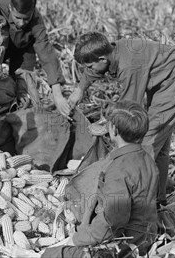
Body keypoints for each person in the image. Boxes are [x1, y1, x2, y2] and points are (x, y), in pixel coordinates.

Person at [68, 32, 175, 206]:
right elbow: (93, 71)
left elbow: (130, 107)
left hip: (174, 82)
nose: (88, 71)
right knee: (160, 142)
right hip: (161, 80)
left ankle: (145, 201)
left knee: (147, 140)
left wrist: (107, 126)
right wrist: (80, 89)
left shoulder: (129, 66)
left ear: (103, 59)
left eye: (89, 66)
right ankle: (160, 196)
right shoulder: (110, 52)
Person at [43, 100, 158, 258]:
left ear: (114, 130)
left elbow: (112, 223)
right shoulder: (148, 159)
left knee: (50, 255)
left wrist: (77, 240)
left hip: (127, 244)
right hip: (148, 233)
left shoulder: (119, 169)